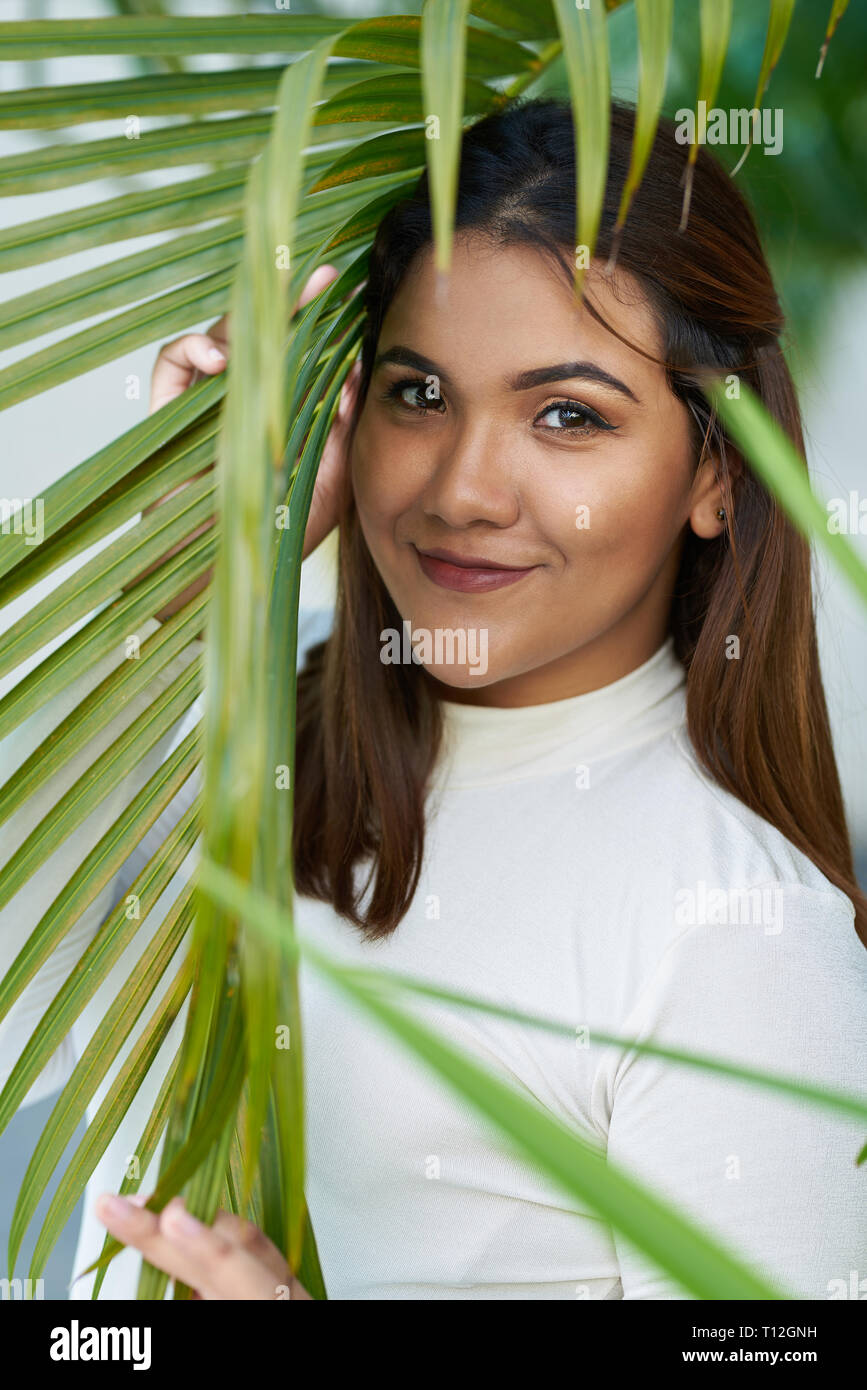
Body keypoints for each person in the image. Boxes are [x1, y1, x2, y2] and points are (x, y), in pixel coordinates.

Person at [2, 97, 865, 1301]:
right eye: (419, 395)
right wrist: (195, 577)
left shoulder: (735, 931)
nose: (463, 490)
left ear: (714, 471)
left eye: (567, 414)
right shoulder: (277, 706)